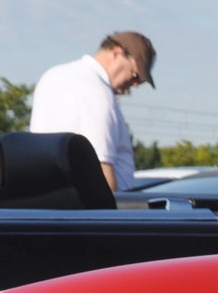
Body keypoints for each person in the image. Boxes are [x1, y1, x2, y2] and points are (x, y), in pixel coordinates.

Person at [27, 30, 153, 190]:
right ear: (117, 53)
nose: (134, 84)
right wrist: (113, 214)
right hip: (93, 205)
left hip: (56, 195)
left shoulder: (52, 76)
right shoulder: (97, 91)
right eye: (135, 75)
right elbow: (101, 169)